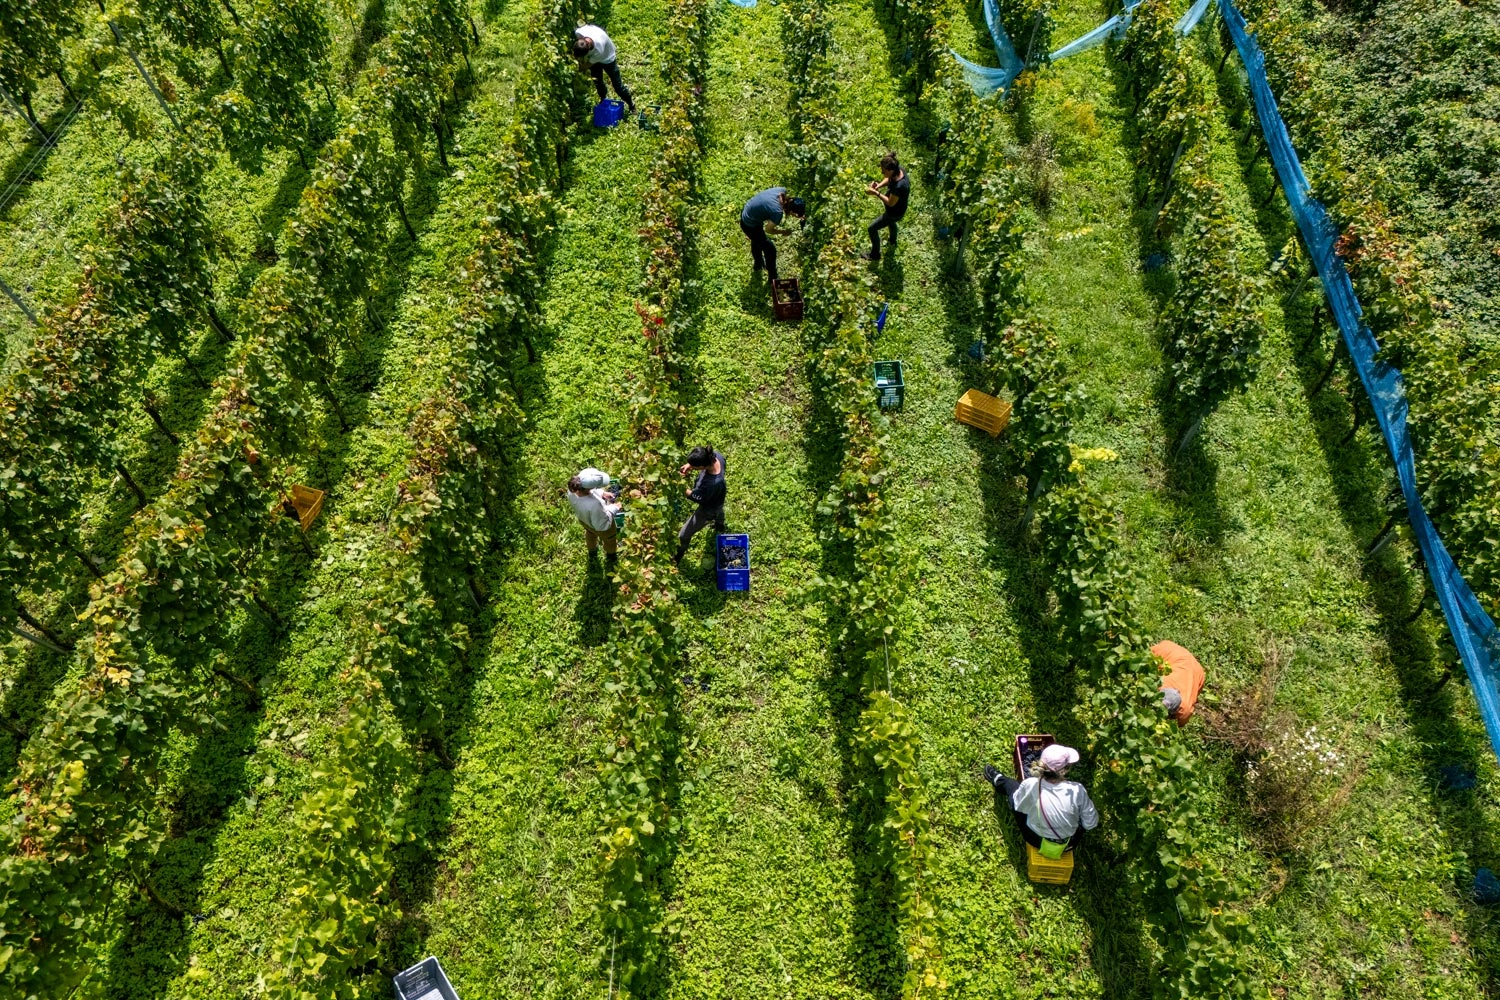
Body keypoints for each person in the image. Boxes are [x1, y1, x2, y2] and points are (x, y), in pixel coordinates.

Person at [982, 744, 1099, 853]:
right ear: (1063, 770)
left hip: (1035, 840)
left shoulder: (1031, 784)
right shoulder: (1077, 790)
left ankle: (998, 778)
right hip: (1068, 845)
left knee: (1013, 790)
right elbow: (1090, 823)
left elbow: (1018, 805)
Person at [739, 187, 806, 283]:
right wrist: (783, 232)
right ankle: (772, 276)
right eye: (797, 214)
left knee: (757, 240)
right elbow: (769, 230)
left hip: (748, 210)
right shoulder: (777, 212)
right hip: (749, 223)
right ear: (792, 211)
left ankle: (758, 264)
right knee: (770, 249)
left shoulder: (782, 190)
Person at [673, 445, 726, 567]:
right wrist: (689, 465)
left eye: (695, 467)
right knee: (719, 508)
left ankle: (675, 559)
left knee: (683, 535)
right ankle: (720, 525)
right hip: (718, 497)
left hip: (708, 508)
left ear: (702, 466)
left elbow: (697, 497)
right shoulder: (716, 456)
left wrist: (680, 486)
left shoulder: (711, 484)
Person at [573, 23, 634, 111]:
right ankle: (603, 99)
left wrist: (575, 70)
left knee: (617, 86)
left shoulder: (599, 49)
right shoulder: (579, 32)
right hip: (594, 57)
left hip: (608, 58)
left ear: (589, 49)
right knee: (597, 81)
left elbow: (586, 65)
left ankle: (631, 105)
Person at [863, 152, 910, 262]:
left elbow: (890, 203)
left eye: (883, 171)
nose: (882, 172)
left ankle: (875, 255)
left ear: (890, 170)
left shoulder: (899, 186)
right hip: (899, 209)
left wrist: (876, 193)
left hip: (894, 212)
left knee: (872, 228)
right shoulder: (899, 170)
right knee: (891, 223)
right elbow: (888, 179)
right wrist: (878, 186)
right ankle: (892, 241)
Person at [565, 471, 621, 560]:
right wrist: (614, 508)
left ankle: (592, 552)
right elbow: (602, 523)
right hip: (602, 528)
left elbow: (590, 492)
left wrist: (602, 493)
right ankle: (611, 556)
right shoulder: (594, 504)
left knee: (590, 534)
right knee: (610, 540)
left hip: (585, 521)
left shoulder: (573, 490)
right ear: (589, 488)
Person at [1154, 640, 1206, 726]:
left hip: (1198, 672)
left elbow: (1177, 726)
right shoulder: (1158, 684)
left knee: (1192, 693)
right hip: (1171, 652)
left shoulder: (1184, 711)